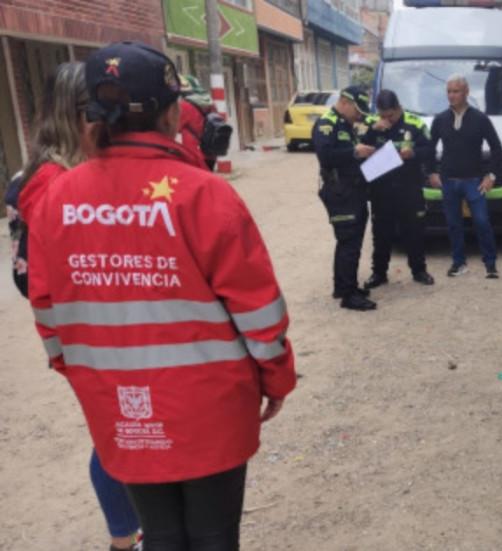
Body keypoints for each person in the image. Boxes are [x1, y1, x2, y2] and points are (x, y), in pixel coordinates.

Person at [27, 41, 296, 548]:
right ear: (171, 113)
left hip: (118, 408)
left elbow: (46, 309)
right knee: (215, 536)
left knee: (163, 537)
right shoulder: (204, 194)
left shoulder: (56, 198)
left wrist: (85, 376)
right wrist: (276, 378)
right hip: (210, 410)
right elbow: (257, 309)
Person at [14, 61, 143, 551]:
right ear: (76, 111)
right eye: (102, 104)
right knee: (117, 436)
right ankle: (122, 541)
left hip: (112, 326)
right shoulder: (49, 179)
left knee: (126, 432)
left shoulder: (77, 163)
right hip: (93, 332)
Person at [427, 74, 502, 279]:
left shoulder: (480, 119)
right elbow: (429, 148)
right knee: (453, 224)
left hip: (474, 181)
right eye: (449, 91)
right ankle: (459, 263)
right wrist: (432, 172)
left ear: (466, 92)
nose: (451, 95)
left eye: (455, 91)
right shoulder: (440, 119)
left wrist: (491, 176)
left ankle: (490, 264)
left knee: (482, 221)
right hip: (448, 182)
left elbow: (497, 148)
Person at [360, 89, 435, 290]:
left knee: (414, 231)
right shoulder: (372, 124)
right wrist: (374, 130)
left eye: (390, 115)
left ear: (398, 108)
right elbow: (358, 147)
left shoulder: (415, 123)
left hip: (409, 187)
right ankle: (379, 273)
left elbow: (430, 150)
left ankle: (419, 271)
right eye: (383, 115)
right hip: (381, 190)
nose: (387, 120)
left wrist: (414, 153)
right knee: (381, 233)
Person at [313, 86, 378, 310]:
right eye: (357, 111)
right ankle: (349, 296)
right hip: (339, 190)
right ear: (345, 103)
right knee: (349, 241)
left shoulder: (346, 124)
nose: (359, 116)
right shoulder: (327, 123)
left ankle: (343, 285)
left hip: (353, 189)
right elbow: (325, 155)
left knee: (351, 240)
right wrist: (354, 152)